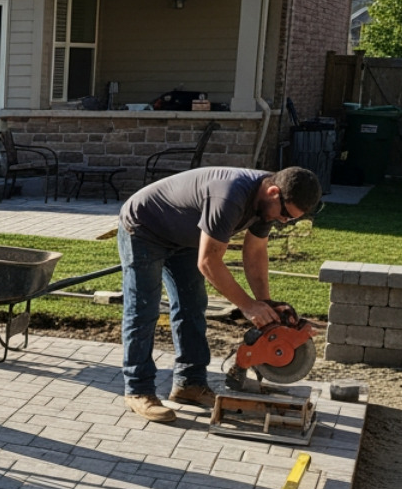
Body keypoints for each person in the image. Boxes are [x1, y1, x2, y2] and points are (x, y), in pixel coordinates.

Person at [117, 165, 323, 424]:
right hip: (145, 227)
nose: (284, 221)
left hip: (185, 236)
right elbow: (208, 262)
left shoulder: (267, 204)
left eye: (290, 219)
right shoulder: (230, 196)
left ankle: (189, 384)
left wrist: (265, 304)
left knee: (192, 306)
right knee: (143, 308)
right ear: (273, 192)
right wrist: (247, 306)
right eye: (284, 215)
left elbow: (255, 252)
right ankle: (138, 389)